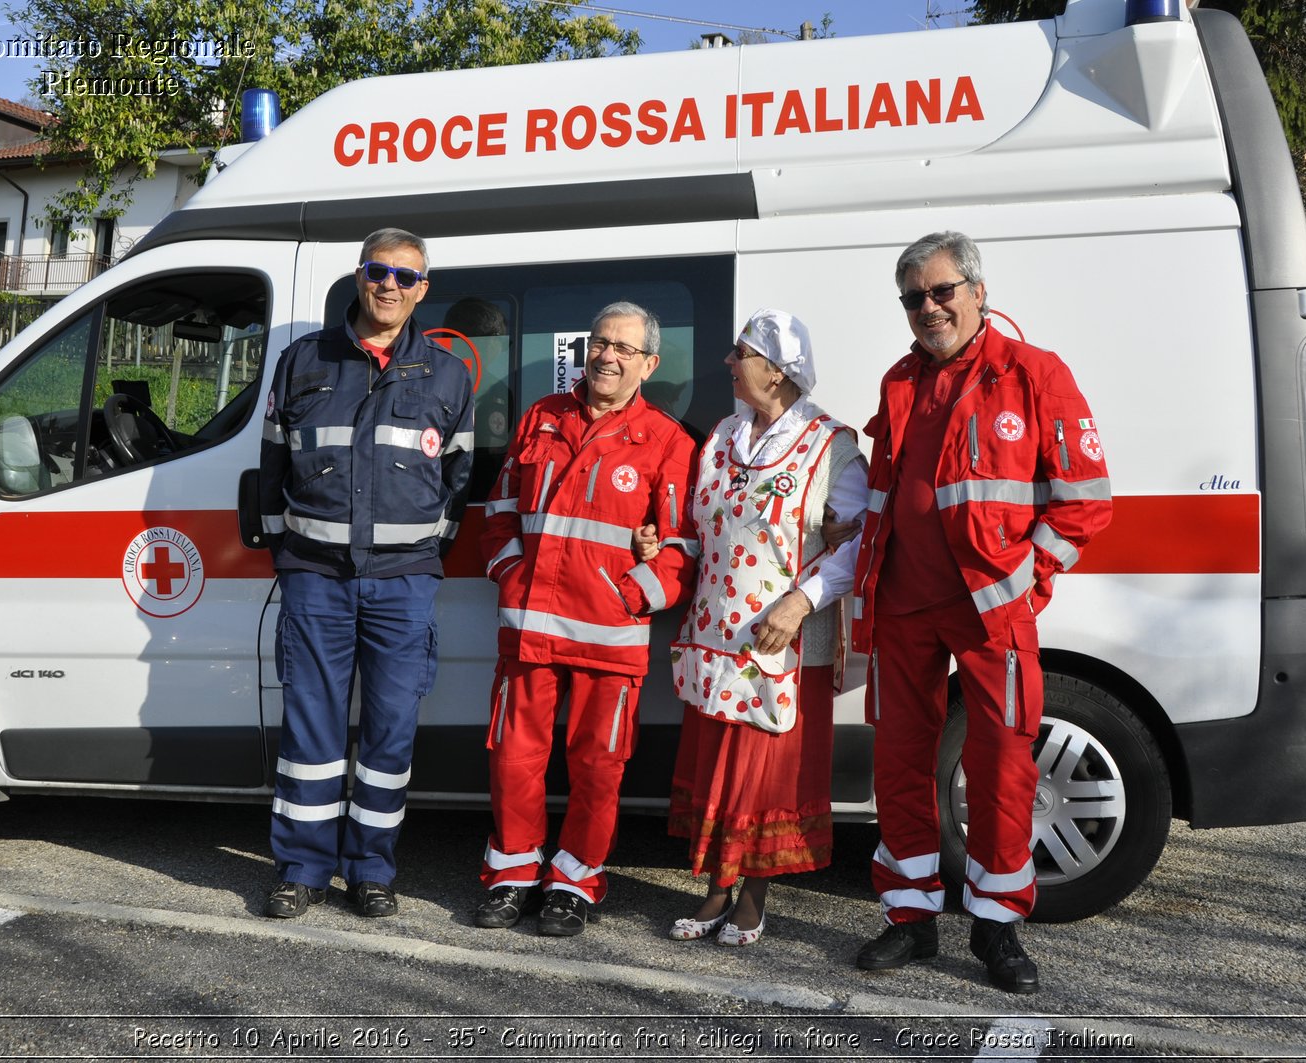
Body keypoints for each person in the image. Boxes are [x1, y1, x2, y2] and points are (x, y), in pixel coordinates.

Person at [850, 231, 1111, 993]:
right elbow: (883, 495)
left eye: (940, 291)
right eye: (913, 298)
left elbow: (1086, 500)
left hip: (990, 611)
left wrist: (1027, 581)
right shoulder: (899, 380)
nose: (928, 308)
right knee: (899, 763)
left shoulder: (1032, 373)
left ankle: (997, 926)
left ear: (976, 290)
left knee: (1001, 767)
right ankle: (910, 918)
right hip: (902, 605)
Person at [257, 228, 474, 920]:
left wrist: (423, 553)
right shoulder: (303, 360)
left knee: (389, 734)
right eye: (379, 271)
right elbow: (271, 467)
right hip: (315, 577)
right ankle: (302, 868)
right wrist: (287, 552)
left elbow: (460, 480)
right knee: (310, 732)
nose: (390, 285)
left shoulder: (447, 374)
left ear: (423, 289)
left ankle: (371, 871)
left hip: (404, 585)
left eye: (406, 277)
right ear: (359, 275)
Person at [473, 301, 699, 937]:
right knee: (516, 757)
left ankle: (574, 880)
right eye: (601, 343)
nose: (608, 356)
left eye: (625, 349)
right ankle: (513, 873)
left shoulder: (668, 441)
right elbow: (499, 509)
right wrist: (510, 572)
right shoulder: (542, 419)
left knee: (598, 766)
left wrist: (633, 595)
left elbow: (683, 545)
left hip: (609, 634)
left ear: (649, 364)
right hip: (532, 623)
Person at [660, 308, 867, 947]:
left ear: (776, 372)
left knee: (765, 769)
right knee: (722, 763)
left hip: (784, 637)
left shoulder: (831, 444)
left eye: (740, 353)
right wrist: (660, 543)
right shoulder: (723, 434)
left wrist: (801, 602)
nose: (728, 362)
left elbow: (857, 544)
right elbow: (701, 525)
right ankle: (717, 887)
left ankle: (753, 895)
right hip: (719, 629)